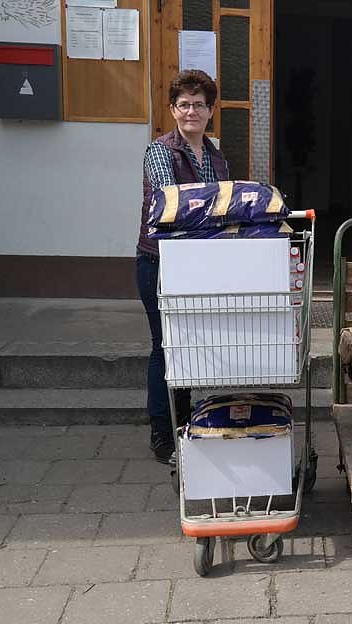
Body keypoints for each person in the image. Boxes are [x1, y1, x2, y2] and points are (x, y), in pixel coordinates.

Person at [136, 69, 230, 464]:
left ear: (210, 111)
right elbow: (171, 200)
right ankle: (162, 432)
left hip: (198, 264)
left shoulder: (216, 157)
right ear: (173, 109)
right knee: (165, 346)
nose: (191, 111)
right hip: (159, 262)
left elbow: (226, 209)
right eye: (184, 104)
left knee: (188, 345)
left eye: (199, 105)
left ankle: (185, 421)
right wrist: (214, 207)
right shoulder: (160, 151)